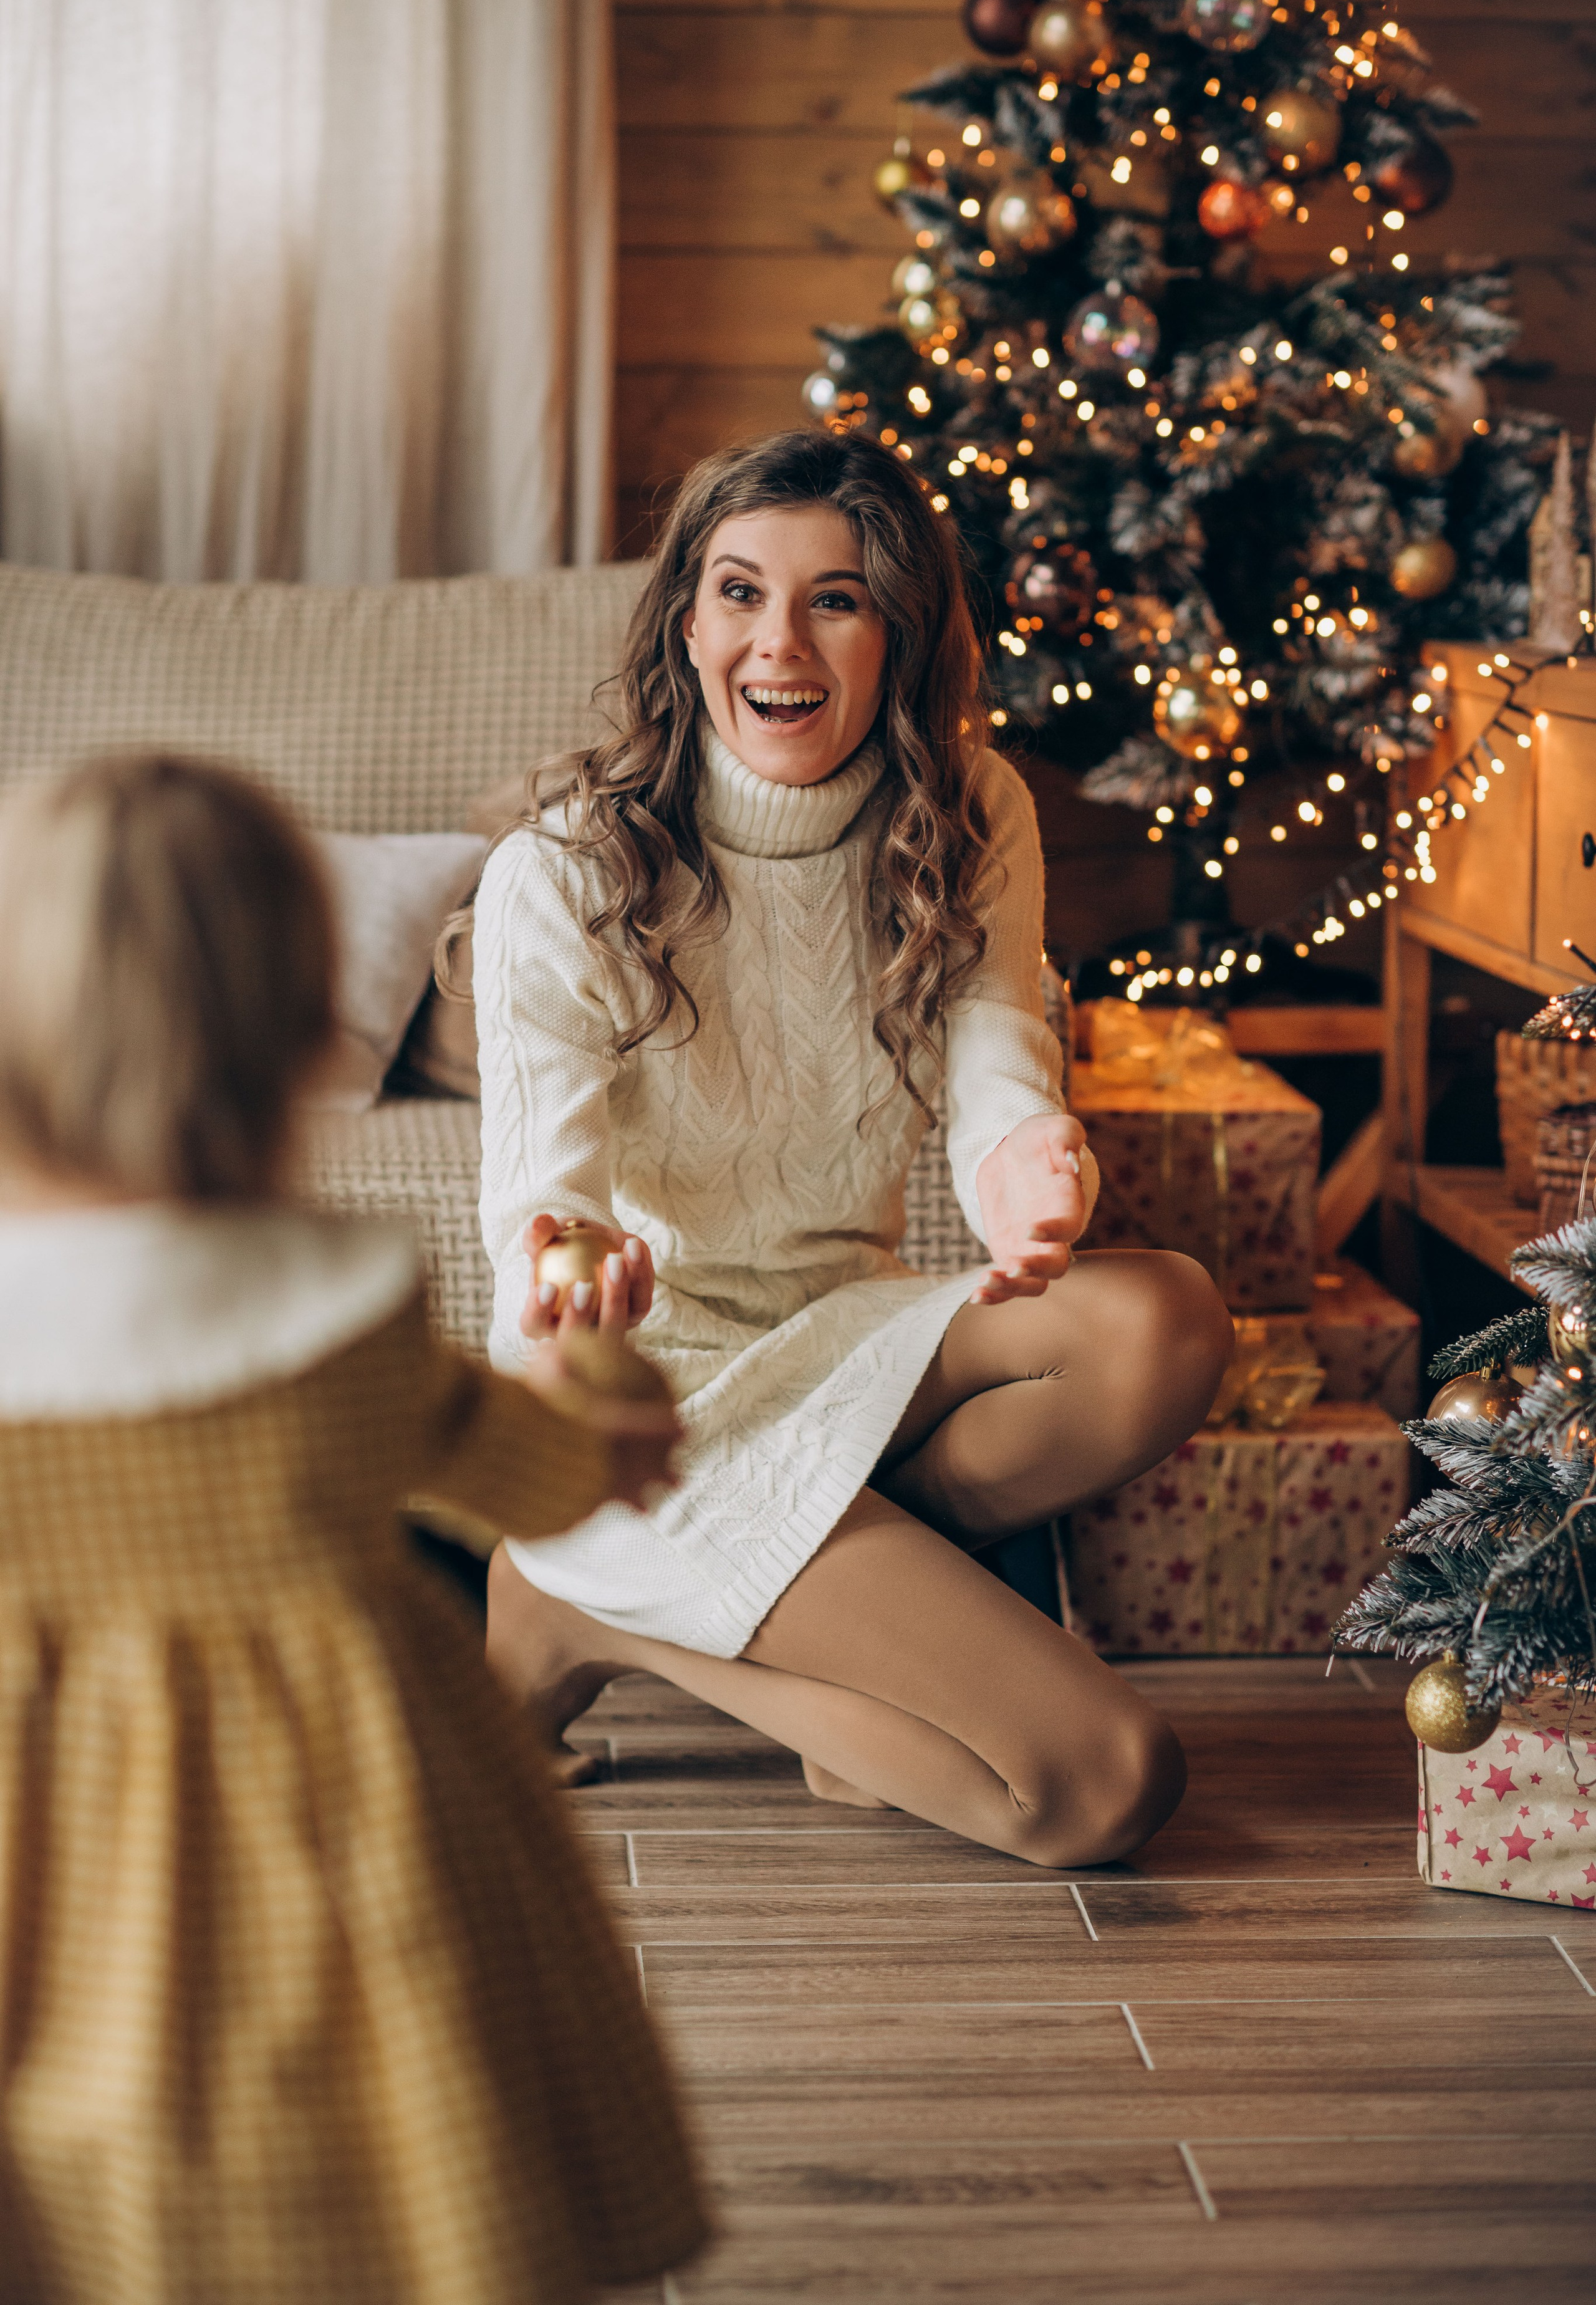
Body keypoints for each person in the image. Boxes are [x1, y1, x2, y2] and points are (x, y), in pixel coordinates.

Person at [0, 756, 705, 2305]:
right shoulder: (333, 1317)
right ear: (282, 1030)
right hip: (331, 1833)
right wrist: (599, 1343)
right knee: (395, 2157)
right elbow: (558, 1476)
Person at [475, 428, 1233, 1867]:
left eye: (836, 597)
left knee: (1163, 1320)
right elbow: (542, 1189)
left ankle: (806, 1580)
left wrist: (1024, 1157)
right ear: (686, 624)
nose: (783, 639)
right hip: (650, 1400)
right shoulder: (563, 868)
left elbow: (1001, 1049)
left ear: (898, 628)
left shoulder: (966, 810)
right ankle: (576, 1603)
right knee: (1102, 1784)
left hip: (845, 1335)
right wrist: (569, 1254)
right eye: (740, 591)